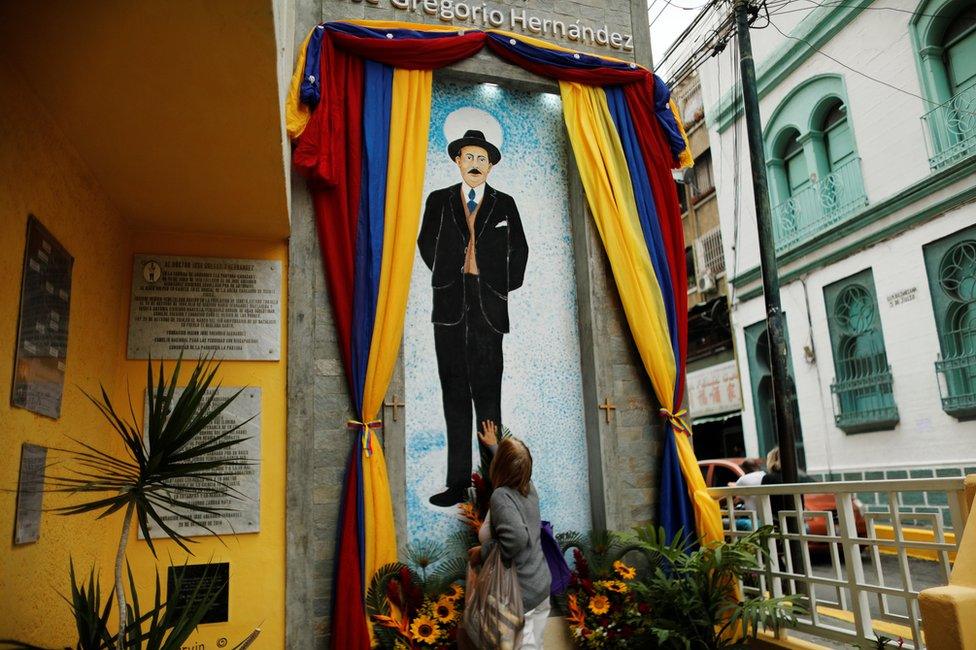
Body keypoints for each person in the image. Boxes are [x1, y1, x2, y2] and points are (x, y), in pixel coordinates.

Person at [418, 129, 529, 507]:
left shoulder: (506, 204)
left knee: (488, 395)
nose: (475, 164)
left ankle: (491, 484)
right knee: (453, 393)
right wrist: (447, 276)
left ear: (491, 164)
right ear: (457, 160)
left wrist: (497, 286)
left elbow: (521, 250)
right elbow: (424, 241)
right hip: (449, 306)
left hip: (488, 308)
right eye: (469, 157)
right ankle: (457, 482)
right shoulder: (438, 201)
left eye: (482, 159)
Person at [468, 420, 550, 649]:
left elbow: (516, 539)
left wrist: (482, 552)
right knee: (535, 645)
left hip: (520, 596)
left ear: (501, 468)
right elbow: (515, 466)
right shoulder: (527, 485)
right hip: (539, 586)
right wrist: (495, 447)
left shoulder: (501, 496)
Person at [731, 458, 765, 531]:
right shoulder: (765, 475)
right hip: (768, 516)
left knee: (726, 523)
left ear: (744, 469)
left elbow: (736, 498)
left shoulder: (743, 479)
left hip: (754, 519)